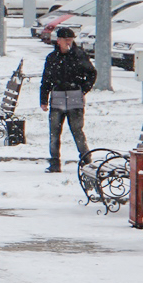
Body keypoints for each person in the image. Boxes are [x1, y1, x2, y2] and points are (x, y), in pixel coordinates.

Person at [40, 26, 97, 173]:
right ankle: (54, 162)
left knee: (77, 130)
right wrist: (44, 99)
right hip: (58, 96)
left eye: (70, 40)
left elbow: (91, 73)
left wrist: (82, 89)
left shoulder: (78, 55)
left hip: (74, 96)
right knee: (54, 132)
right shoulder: (52, 58)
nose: (69, 43)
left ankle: (86, 159)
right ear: (59, 41)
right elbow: (46, 79)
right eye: (66, 40)